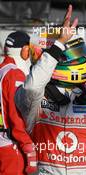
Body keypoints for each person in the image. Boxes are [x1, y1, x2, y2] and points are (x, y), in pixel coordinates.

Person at [15, 5, 86, 175]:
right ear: (52, 57)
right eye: (71, 56)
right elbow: (32, 86)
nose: (79, 61)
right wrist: (58, 43)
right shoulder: (33, 97)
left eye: (79, 55)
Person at [0, 31, 37, 175]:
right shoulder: (15, 74)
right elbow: (15, 114)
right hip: (10, 144)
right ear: (24, 50)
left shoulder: (2, 70)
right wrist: (27, 144)